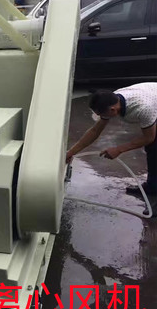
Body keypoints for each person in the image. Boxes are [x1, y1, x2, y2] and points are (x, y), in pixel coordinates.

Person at [66, 83, 157, 215]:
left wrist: (119, 149)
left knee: (154, 145)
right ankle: (153, 187)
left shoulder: (142, 108)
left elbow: (149, 137)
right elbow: (95, 131)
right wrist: (71, 152)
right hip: (153, 100)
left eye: (100, 114)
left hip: (150, 104)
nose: (99, 117)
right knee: (153, 150)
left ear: (113, 110)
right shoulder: (113, 100)